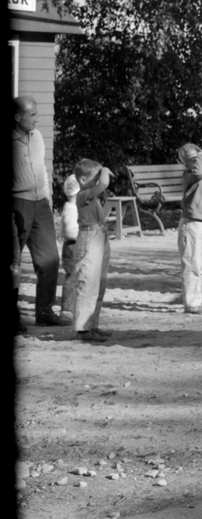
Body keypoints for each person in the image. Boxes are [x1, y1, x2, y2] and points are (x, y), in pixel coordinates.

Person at [12, 96, 66, 329]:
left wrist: (47, 198)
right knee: (13, 263)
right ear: (17, 117)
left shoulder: (37, 137)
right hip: (17, 203)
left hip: (40, 203)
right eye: (32, 115)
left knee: (50, 259)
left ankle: (44, 312)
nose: (37, 119)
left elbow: (43, 169)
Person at [71, 157, 113, 343]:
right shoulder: (82, 195)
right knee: (87, 283)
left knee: (99, 284)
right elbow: (104, 183)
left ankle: (92, 324)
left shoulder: (92, 196)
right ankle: (83, 329)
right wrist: (105, 170)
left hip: (99, 237)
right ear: (82, 180)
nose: (99, 182)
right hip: (89, 239)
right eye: (95, 178)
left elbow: (102, 186)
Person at [177, 142, 202, 314]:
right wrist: (201, 155)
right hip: (192, 221)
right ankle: (191, 303)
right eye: (194, 159)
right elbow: (198, 172)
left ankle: (196, 300)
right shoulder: (190, 175)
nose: (199, 161)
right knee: (192, 263)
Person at [60, 173, 81, 322]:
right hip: (72, 246)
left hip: (70, 245)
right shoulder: (72, 209)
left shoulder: (68, 207)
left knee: (76, 276)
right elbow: (70, 231)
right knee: (72, 276)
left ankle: (73, 306)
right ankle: (67, 309)